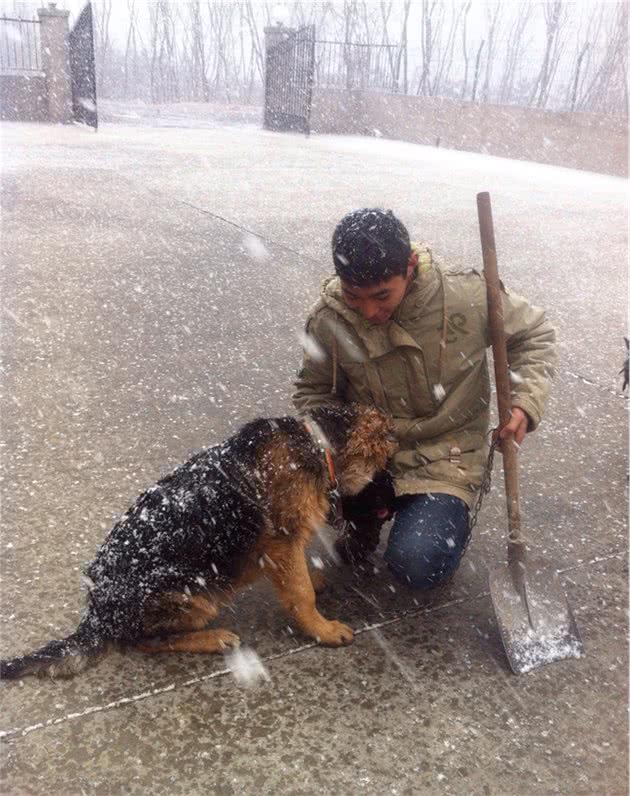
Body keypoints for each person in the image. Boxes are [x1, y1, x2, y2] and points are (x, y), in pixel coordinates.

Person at [292, 208, 557, 590]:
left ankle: (439, 516)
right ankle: (367, 514)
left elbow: (536, 334)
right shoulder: (328, 319)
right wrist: (334, 449)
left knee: (417, 565)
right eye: (354, 296)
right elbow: (313, 391)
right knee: (288, 486)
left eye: (382, 295)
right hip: (369, 451)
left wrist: (524, 404)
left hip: (445, 453)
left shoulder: (466, 295)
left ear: (410, 265)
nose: (369, 311)